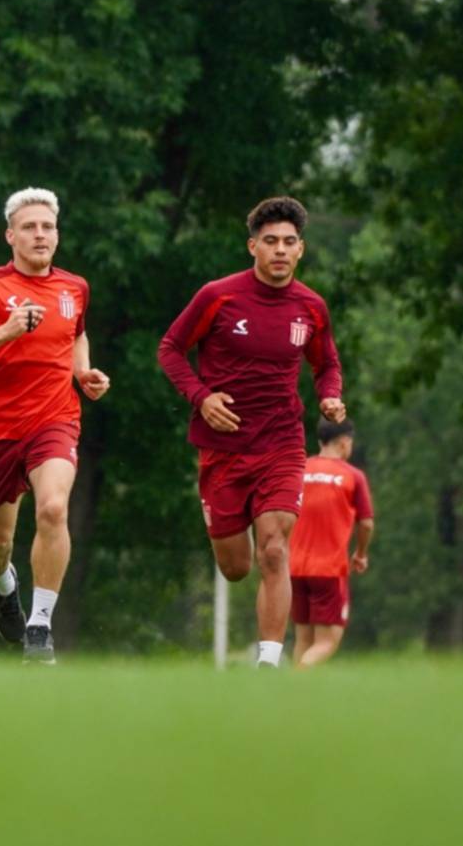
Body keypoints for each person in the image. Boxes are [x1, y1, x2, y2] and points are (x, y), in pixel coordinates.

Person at [158, 196, 345, 668]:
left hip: (282, 441)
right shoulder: (218, 296)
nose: (280, 250)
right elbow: (171, 349)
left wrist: (330, 395)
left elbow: (327, 364)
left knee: (275, 547)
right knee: (236, 567)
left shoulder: (311, 307)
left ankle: (267, 662)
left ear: (300, 250)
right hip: (222, 448)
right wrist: (202, 397)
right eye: (270, 242)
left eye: (289, 242)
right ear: (252, 247)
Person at [0, 187, 109, 664]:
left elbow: (76, 333)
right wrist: (9, 330)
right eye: (30, 227)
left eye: (48, 227)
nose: (40, 235)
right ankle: (4, 586)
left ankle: (39, 626)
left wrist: (84, 372)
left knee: (54, 509)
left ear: (57, 235)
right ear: (10, 236)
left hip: (55, 420)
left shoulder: (75, 288)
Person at [289, 419, 374, 668]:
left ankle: (298, 699)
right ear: (345, 442)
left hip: (294, 567)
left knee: (303, 639)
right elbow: (366, 524)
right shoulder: (352, 476)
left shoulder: (299, 470)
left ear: (320, 441)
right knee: (328, 641)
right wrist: (360, 554)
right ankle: (296, 682)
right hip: (328, 569)